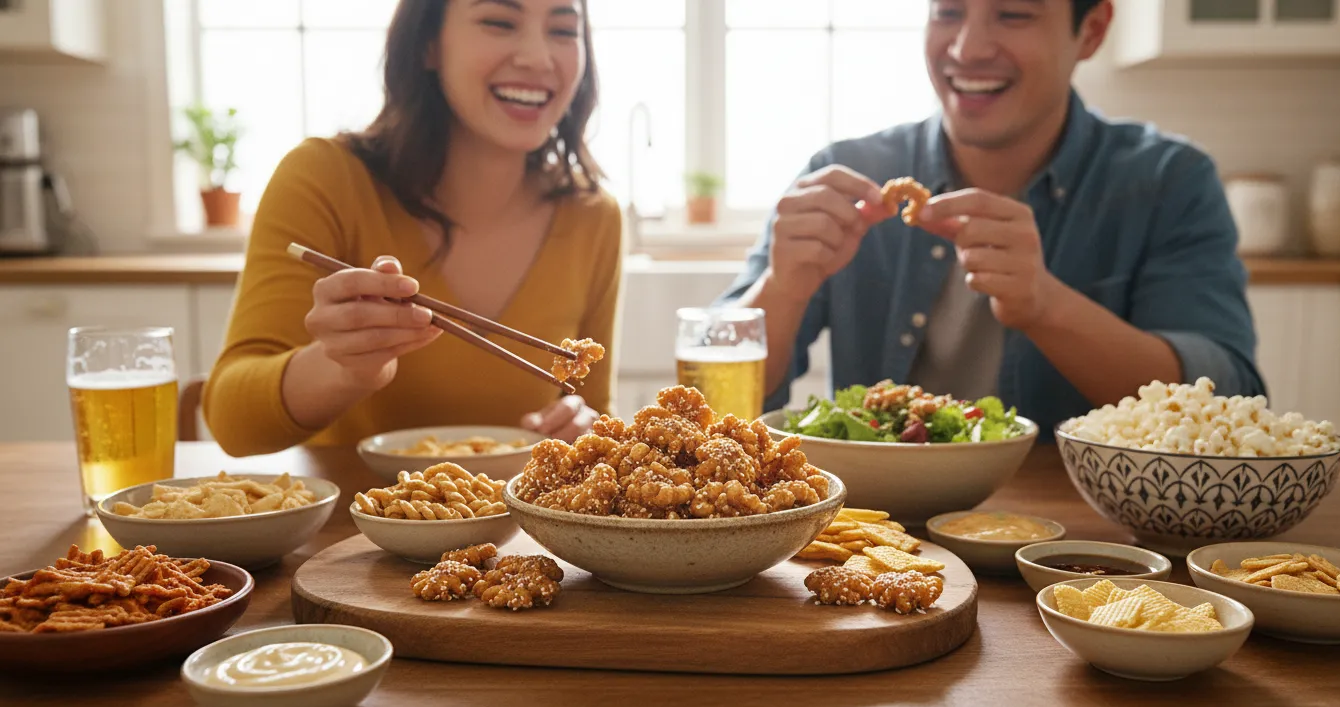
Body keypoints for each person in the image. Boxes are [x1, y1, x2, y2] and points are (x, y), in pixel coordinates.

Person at [721, 0, 1265, 432]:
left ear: (1093, 29)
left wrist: (1045, 305)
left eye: (1014, 14)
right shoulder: (846, 172)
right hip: (877, 532)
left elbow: (1228, 396)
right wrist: (782, 288)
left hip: (1080, 546)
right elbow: (716, 398)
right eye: (947, 11)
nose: (968, 47)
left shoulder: (1168, 182)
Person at [205, 0, 621, 456]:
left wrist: (585, 428)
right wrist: (341, 367)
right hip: (350, 526)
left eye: (563, 31)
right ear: (427, 44)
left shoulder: (593, 217)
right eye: (499, 22)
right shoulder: (324, 178)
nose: (539, 58)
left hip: (513, 530)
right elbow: (232, 423)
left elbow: (592, 409)